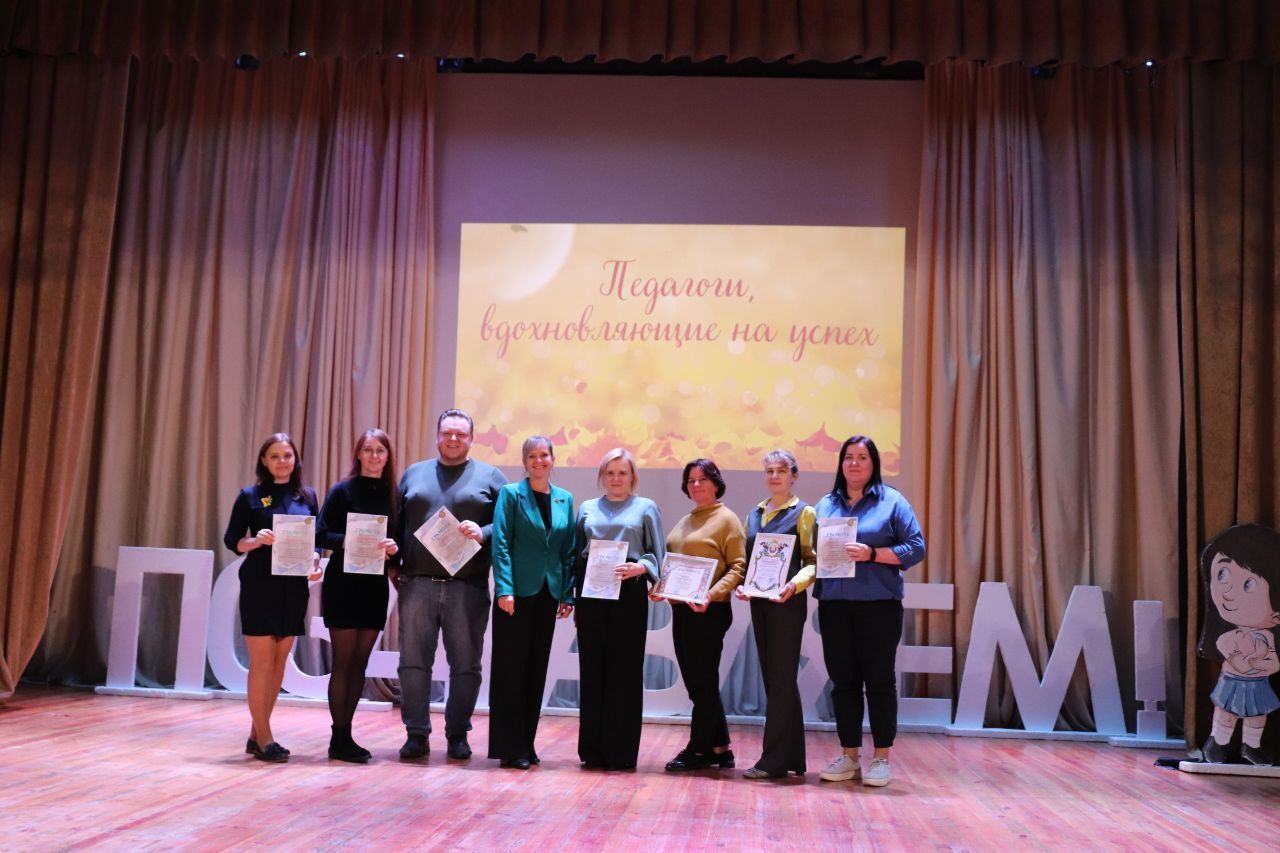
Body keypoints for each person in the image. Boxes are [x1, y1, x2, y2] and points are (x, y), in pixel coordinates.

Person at [393, 409, 507, 761]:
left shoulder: (492, 477)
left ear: (471, 438)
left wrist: (483, 531)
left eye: (460, 434)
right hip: (417, 584)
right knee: (413, 662)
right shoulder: (413, 473)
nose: (453, 439)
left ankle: (458, 734)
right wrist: (391, 565)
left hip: (467, 586)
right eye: (447, 433)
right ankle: (416, 733)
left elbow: (508, 525)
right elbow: (396, 523)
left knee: (466, 665)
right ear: (437, 436)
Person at [815, 435, 925, 788]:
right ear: (841, 463)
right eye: (848, 457)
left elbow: (916, 547)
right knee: (843, 683)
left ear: (874, 463)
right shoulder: (825, 504)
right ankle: (849, 756)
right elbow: (813, 552)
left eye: (862, 457)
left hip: (879, 606)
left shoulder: (893, 501)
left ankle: (881, 758)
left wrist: (873, 554)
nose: (854, 463)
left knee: (879, 682)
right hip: (834, 605)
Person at [222, 432, 320, 763]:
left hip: (293, 588)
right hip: (259, 585)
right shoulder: (250, 496)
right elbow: (232, 539)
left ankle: (256, 734)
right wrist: (255, 541)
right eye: (275, 456)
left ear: (295, 459)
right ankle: (266, 738)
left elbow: (315, 539)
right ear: (264, 461)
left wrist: (315, 559)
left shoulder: (307, 496)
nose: (282, 461)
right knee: (262, 662)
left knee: (279, 662)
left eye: (287, 455)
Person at [573, 448, 664, 771]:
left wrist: (642, 568)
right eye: (610, 473)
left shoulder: (646, 508)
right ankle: (593, 751)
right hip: (592, 593)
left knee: (624, 672)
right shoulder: (587, 508)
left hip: (628, 593)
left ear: (632, 476)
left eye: (622, 472)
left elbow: (658, 553)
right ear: (602, 476)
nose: (615, 478)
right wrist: (573, 597)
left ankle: (621, 753)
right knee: (592, 670)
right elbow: (576, 554)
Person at [488, 435, 576, 769]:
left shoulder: (565, 498)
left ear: (553, 459)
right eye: (532, 456)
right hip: (515, 594)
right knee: (510, 670)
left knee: (536, 669)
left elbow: (568, 550)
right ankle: (510, 748)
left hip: (548, 593)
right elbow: (501, 543)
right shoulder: (511, 494)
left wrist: (567, 593)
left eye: (544, 455)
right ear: (524, 462)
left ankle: (527, 742)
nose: (539, 461)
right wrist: (504, 589)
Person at [316, 428, 401, 763]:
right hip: (344, 585)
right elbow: (321, 533)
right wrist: (350, 540)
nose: (374, 456)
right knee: (344, 662)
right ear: (358, 454)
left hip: (374, 586)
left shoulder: (394, 496)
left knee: (360, 664)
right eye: (368, 449)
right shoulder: (342, 491)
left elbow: (399, 540)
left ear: (388, 456)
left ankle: (346, 734)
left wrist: (394, 548)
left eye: (380, 450)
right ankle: (338, 737)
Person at [656, 457, 746, 772]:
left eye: (702, 479)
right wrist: (661, 587)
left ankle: (698, 749)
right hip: (682, 610)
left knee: (702, 683)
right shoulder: (687, 520)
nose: (696, 484)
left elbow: (738, 567)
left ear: (716, 483)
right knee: (698, 682)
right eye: (691, 480)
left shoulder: (727, 519)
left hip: (709, 611)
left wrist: (711, 594)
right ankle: (720, 749)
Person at [734, 449, 816, 779]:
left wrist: (794, 585)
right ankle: (793, 757)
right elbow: (746, 561)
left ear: (793, 476)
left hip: (788, 602)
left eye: (781, 471)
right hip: (760, 601)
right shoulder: (754, 514)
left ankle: (773, 760)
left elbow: (813, 562)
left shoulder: (804, 512)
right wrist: (742, 585)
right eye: (769, 471)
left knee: (781, 678)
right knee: (775, 678)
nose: (774, 476)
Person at [1197, 524, 1280, 765]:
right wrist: (1247, 662)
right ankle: (1218, 743)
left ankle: (1251, 747)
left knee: (1257, 717)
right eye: (1222, 574)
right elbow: (1232, 659)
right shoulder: (1227, 637)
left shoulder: (1267, 638)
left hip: (1258, 685)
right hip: (1232, 683)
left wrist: (1259, 663)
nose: (1229, 593)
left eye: (1248, 584)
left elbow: (1274, 663)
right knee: (1226, 713)